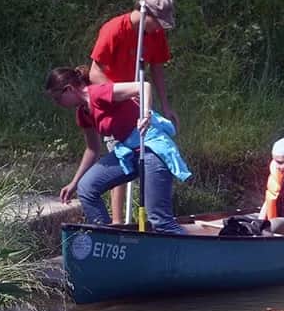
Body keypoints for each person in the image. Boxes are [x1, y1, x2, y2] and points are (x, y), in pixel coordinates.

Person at [45, 65, 190, 234]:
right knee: (86, 188)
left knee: (159, 220)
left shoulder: (98, 92)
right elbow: (92, 149)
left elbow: (143, 86)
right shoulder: (83, 114)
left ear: (68, 89)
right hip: (127, 153)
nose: (57, 104)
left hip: (150, 147)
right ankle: (106, 238)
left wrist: (145, 114)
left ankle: (190, 253)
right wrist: (74, 183)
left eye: (57, 98)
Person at [89, 0, 179, 224]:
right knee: (121, 160)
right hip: (116, 104)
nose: (160, 28)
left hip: (140, 103)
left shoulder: (155, 35)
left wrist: (166, 106)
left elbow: (157, 68)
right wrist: (124, 94)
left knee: (148, 154)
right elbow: (94, 73)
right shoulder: (114, 30)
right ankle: (117, 224)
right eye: (158, 22)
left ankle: (150, 220)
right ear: (145, 13)